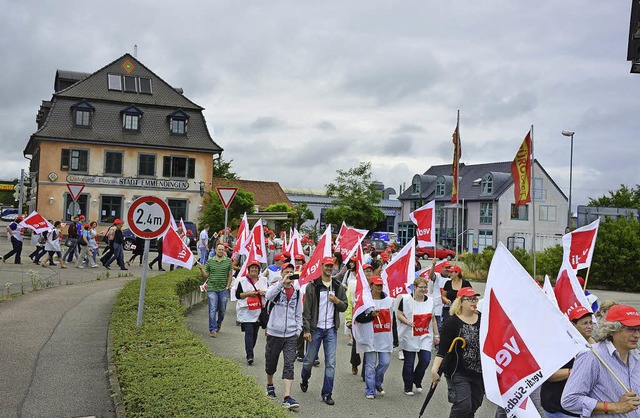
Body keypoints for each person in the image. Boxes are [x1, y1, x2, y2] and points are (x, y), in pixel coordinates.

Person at [562, 304, 640, 417]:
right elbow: (569, 400)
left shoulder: (636, 356)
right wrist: (615, 407)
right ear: (612, 330)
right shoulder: (592, 356)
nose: (637, 335)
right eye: (630, 329)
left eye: (638, 329)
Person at [300, 256, 348, 406]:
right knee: (309, 361)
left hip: (331, 330)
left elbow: (345, 306)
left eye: (331, 266)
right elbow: (306, 311)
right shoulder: (313, 286)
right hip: (315, 330)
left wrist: (337, 301)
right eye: (326, 265)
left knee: (331, 363)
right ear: (321, 266)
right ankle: (304, 378)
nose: (329, 268)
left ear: (333, 267)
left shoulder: (338, 286)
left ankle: (327, 393)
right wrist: (306, 330)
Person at [431, 287, 483, 418]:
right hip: (458, 371)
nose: (473, 301)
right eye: (470, 299)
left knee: (473, 405)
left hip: (480, 372)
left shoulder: (483, 319)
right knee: (462, 406)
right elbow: (443, 349)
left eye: (475, 299)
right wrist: (434, 370)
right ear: (460, 302)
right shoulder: (452, 322)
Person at [541, 306, 595, 418]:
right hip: (558, 408)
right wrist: (575, 371)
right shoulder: (561, 346)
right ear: (573, 325)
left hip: (578, 408)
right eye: (585, 323)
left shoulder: (592, 345)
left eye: (591, 322)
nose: (589, 326)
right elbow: (549, 375)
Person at [264, 262, 302, 411]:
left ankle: (287, 396)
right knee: (271, 362)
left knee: (289, 364)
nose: (289, 275)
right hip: (274, 333)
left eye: (291, 272)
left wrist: (297, 330)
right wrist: (282, 283)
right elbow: (268, 296)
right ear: (281, 273)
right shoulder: (276, 287)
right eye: (287, 272)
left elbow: (298, 313)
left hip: (291, 334)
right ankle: (270, 385)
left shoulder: (297, 291)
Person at [353, 275, 394, 399]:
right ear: (371, 286)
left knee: (385, 362)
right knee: (370, 365)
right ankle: (370, 390)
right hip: (369, 338)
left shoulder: (388, 300)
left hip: (384, 338)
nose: (379, 288)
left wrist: (395, 338)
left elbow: (393, 320)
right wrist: (371, 315)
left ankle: (377, 381)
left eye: (381, 285)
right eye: (377, 285)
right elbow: (358, 318)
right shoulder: (364, 301)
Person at [397, 277, 439, 395]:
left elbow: (433, 319)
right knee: (409, 362)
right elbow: (399, 314)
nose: (423, 290)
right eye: (421, 287)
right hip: (409, 335)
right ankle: (408, 386)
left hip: (424, 335)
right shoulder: (405, 300)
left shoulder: (430, 301)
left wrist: (436, 335)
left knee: (425, 360)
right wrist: (407, 321)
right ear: (414, 287)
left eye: (425, 287)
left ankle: (417, 379)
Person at [236, 259, 268, 364]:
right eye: (252, 268)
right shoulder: (242, 280)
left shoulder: (263, 280)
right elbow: (238, 295)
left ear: (259, 270)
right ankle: (250, 355)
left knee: (255, 334)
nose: (254, 269)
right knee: (249, 333)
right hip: (247, 312)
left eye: (256, 268)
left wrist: (263, 293)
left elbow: (268, 293)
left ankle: (250, 350)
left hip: (258, 311)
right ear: (249, 269)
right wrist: (249, 293)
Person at [198, 243, 233, 338]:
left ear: (224, 251)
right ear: (215, 250)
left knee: (222, 310)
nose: (221, 251)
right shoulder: (210, 261)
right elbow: (206, 276)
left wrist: (228, 286)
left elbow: (230, 275)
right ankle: (212, 330)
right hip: (212, 289)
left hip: (223, 289)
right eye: (219, 249)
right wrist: (201, 270)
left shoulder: (228, 261)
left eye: (222, 249)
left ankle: (218, 324)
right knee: (212, 309)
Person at [345, 263, 374, 375]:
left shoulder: (374, 284)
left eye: (370, 271)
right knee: (357, 343)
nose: (368, 273)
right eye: (365, 271)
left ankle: (365, 371)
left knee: (369, 344)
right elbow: (349, 302)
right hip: (357, 318)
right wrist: (348, 319)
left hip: (369, 319)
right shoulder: (354, 285)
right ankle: (355, 363)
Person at [429, 260, 451, 333]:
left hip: (447, 308)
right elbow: (431, 276)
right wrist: (433, 265)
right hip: (437, 307)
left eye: (449, 267)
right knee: (438, 327)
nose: (447, 269)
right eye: (446, 267)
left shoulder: (452, 279)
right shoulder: (437, 276)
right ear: (442, 268)